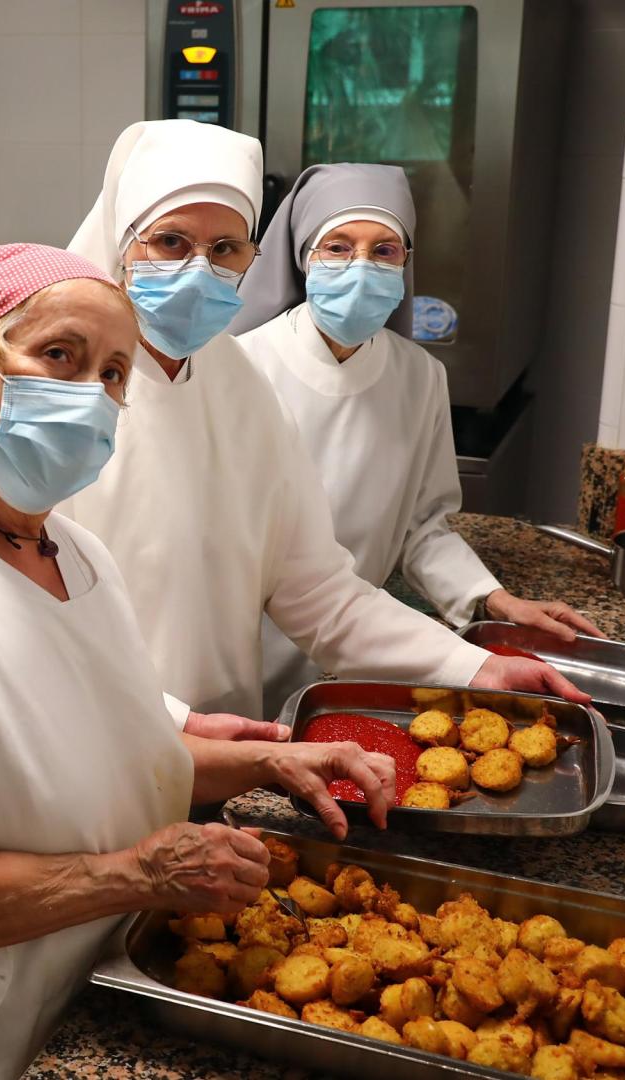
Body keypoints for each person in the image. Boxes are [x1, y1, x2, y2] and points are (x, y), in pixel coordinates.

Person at [0, 244, 399, 1079]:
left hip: (68, 981)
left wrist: (269, 761)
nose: (89, 395)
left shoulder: (72, 549)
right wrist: (144, 871)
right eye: (58, 355)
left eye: (113, 373)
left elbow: (118, 754)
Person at [59, 121, 586, 723]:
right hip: (104, 740)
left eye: (227, 248)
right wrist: (176, 728)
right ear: (120, 243)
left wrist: (474, 666)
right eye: (171, 242)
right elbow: (36, 623)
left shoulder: (240, 387)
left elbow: (313, 588)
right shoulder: (65, 401)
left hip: (230, 742)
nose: (199, 270)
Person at [229, 164, 600, 706]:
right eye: (337, 246)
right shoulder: (241, 368)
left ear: (406, 263)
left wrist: (494, 598)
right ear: (304, 255)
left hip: (364, 648)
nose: (361, 267)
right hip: (243, 652)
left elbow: (422, 527)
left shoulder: (420, 376)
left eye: (384, 250)